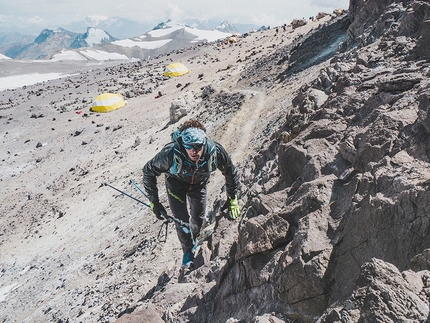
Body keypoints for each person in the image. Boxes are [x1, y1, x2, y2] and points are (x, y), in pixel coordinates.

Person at [143, 119, 240, 268]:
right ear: (183, 143)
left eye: (198, 147)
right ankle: (187, 250)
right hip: (176, 185)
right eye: (189, 147)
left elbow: (230, 172)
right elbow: (148, 171)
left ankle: (195, 239)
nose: (194, 151)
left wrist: (232, 198)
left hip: (198, 185)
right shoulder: (170, 153)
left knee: (198, 219)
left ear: (204, 143)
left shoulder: (215, 151)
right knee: (181, 221)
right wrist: (154, 201)